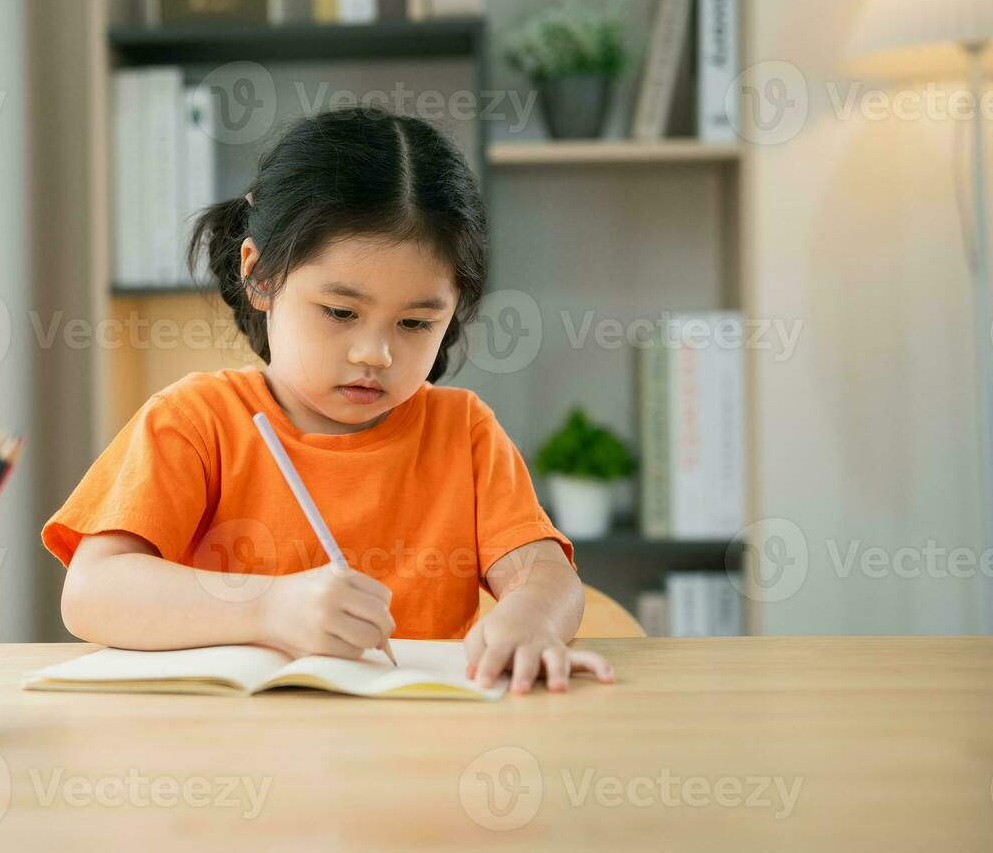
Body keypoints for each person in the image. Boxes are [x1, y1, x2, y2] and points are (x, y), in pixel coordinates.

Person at [45, 106, 614, 694]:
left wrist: (531, 617)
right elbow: (91, 592)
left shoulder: (462, 432)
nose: (376, 355)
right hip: (232, 765)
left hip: (419, 755)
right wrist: (268, 609)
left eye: (416, 323)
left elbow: (546, 575)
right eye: (341, 312)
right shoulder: (195, 422)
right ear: (260, 275)